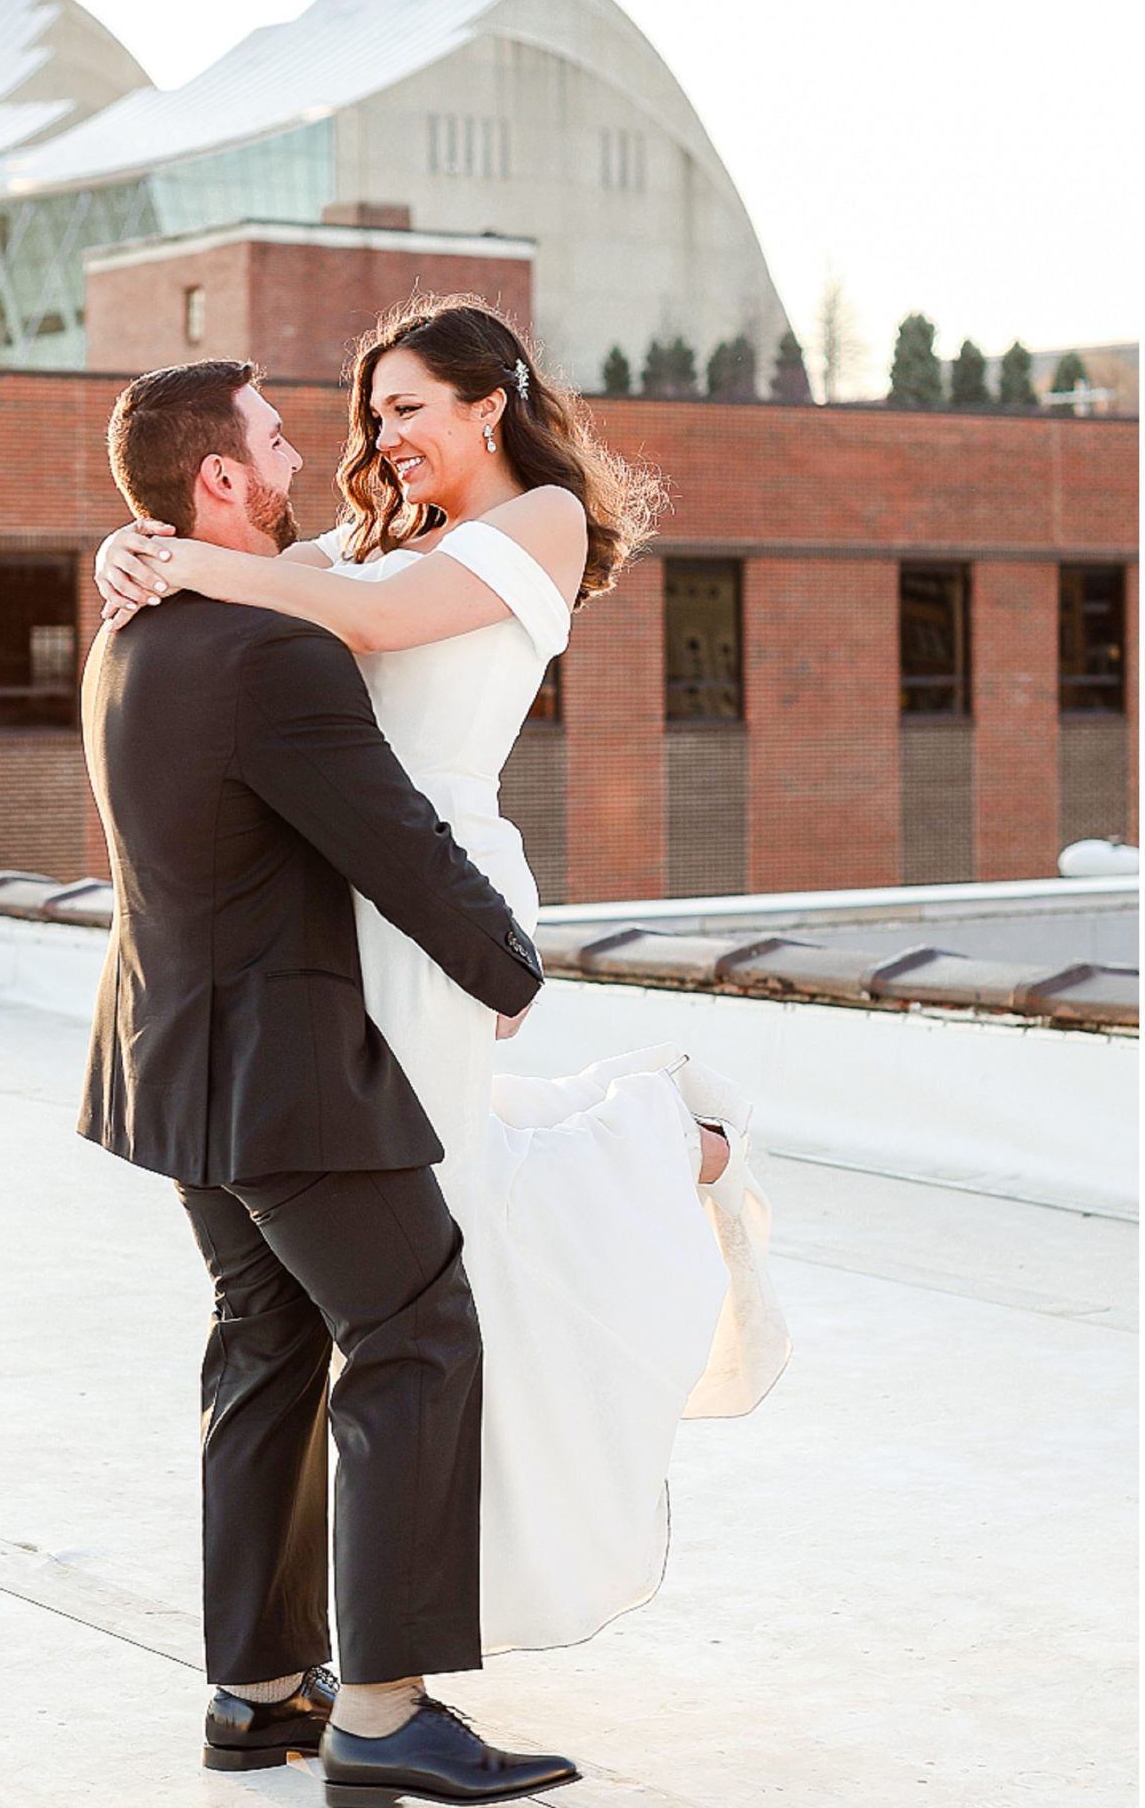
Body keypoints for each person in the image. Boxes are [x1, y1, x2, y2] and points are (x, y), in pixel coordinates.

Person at [96, 295, 790, 1654]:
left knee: (424, 1237)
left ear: (489, 402)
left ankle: (655, 1146)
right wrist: (150, 544)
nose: (379, 436)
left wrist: (169, 551)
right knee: (348, 1281)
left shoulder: (537, 520)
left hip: (430, 891)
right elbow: (294, 583)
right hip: (336, 900)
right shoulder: (374, 534)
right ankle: (331, 1668)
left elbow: (374, 624)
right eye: (366, 416)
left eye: (407, 407)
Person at [79, 355, 582, 1808]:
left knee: (266, 1340)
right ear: (220, 480)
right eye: (279, 439)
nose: (316, 454)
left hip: (166, 1057)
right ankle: (380, 1709)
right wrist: (506, 970)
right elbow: (391, 841)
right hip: (283, 1066)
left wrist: (139, 545)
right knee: (416, 1332)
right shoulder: (272, 645)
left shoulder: (138, 629)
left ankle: (254, 1691)